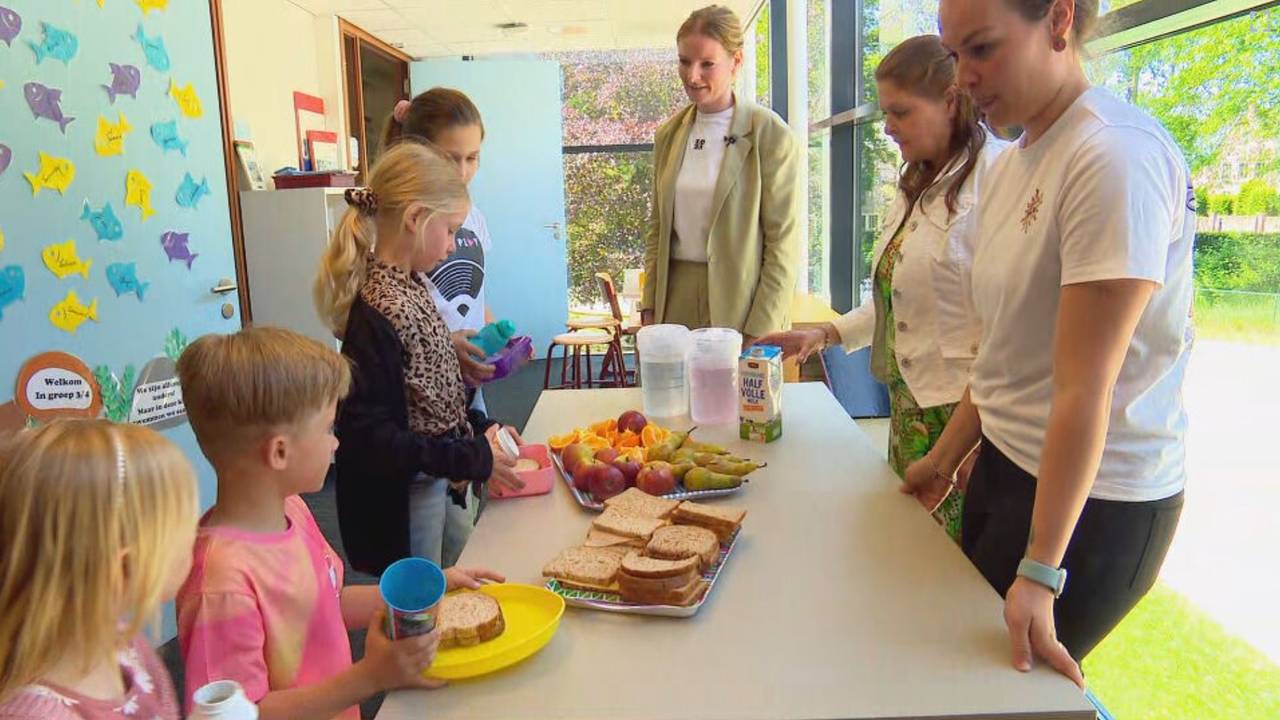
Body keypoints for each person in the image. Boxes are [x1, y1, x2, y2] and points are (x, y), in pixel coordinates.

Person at [907, 0, 1194, 686]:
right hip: (1008, 467)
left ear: (1059, 19)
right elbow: (1005, 352)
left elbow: (1084, 388)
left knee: (999, 694)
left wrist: (1041, 569)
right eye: (955, 54)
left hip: (1098, 504)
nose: (963, 78)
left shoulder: (1114, 155)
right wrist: (945, 458)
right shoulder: (1013, 163)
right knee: (955, 684)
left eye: (983, 48)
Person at [174, 326, 506, 719]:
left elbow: (325, 603)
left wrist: (423, 595)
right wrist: (369, 677)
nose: (336, 442)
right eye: (328, 429)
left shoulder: (291, 510)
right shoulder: (220, 586)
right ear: (279, 452)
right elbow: (243, 714)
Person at [756, 35, 1005, 542]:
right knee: (909, 551)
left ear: (951, 102)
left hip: (969, 421)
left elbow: (1011, 330)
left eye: (901, 112)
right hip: (911, 408)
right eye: (885, 112)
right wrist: (825, 334)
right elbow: (901, 294)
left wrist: (978, 441)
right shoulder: (917, 179)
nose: (888, 126)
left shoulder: (1000, 179)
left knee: (954, 567)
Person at [313, 141, 525, 573]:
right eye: (449, 231)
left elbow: (429, 397)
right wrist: (471, 457)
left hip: (439, 480)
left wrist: (480, 428)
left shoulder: (413, 288)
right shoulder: (378, 311)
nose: (453, 246)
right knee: (423, 601)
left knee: (463, 576)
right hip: (405, 499)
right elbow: (372, 437)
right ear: (415, 219)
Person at [0, 421, 198, 720]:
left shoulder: (122, 640)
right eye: (187, 530)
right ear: (124, 568)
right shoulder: (35, 715)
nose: (196, 538)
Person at [640, 3, 800, 344]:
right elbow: (658, 227)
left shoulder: (769, 134)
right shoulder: (669, 134)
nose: (692, 76)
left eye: (707, 64)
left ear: (736, 62)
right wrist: (650, 305)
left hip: (743, 303)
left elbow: (782, 242)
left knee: (735, 382)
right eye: (684, 61)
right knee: (674, 381)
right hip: (675, 296)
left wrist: (762, 327)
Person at [383, 87, 502, 399]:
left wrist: (496, 335)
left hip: (464, 381)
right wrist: (445, 344)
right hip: (418, 389)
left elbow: (474, 294)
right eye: (450, 159)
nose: (462, 172)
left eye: (472, 158)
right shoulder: (396, 224)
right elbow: (366, 325)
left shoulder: (474, 217)